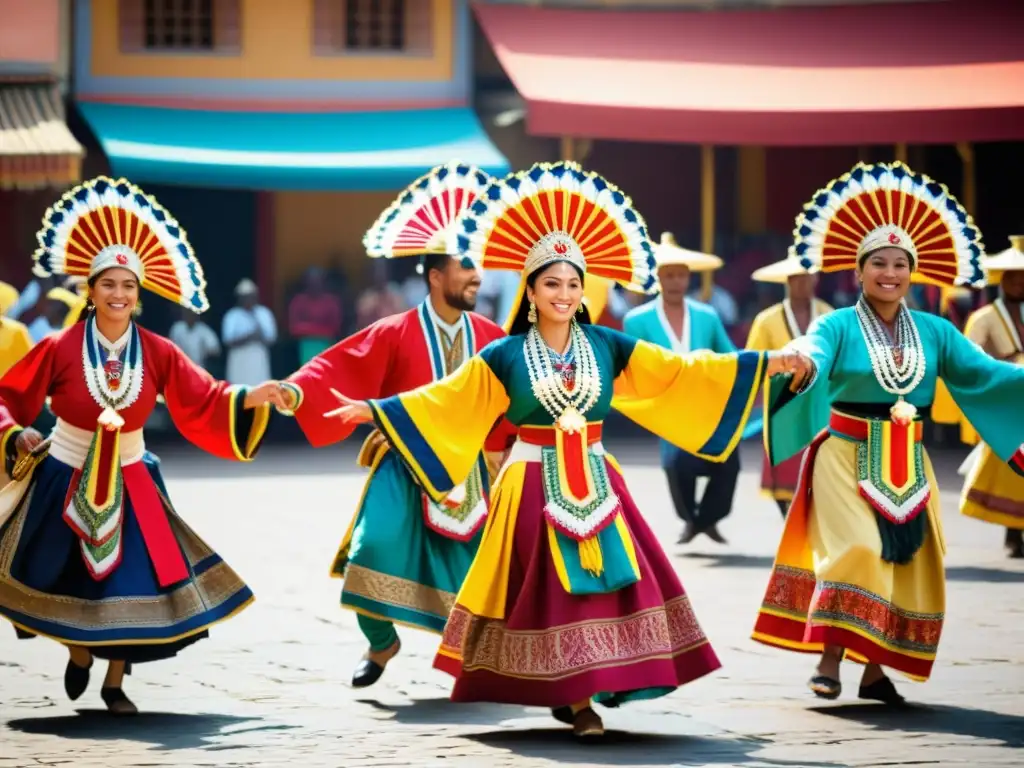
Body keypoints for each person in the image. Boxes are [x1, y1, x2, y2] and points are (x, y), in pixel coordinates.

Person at [321, 161, 806, 738]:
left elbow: (681, 370)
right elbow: (451, 397)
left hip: (597, 481)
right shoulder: (504, 354)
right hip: (529, 483)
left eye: (574, 284)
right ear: (531, 289)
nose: (564, 294)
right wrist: (376, 410)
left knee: (606, 587)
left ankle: (591, 689)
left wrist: (767, 362)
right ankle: (573, 700)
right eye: (552, 283)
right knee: (550, 593)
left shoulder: (608, 343)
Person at [0, 176, 288, 715]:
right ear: (90, 290)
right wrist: (16, 431)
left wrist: (253, 396)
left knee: (132, 579)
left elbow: (205, 394)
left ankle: (114, 679)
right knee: (64, 574)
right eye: (108, 284)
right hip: (65, 468)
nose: (119, 295)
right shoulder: (59, 347)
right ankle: (79, 650)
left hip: (131, 475)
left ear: (139, 294)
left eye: (128, 286)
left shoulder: (157, 351)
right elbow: (6, 397)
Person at [752, 161, 1024, 704]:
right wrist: (803, 361)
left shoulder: (935, 330)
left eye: (901, 264)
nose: (890, 274)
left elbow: (987, 375)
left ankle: (874, 671)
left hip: (908, 460)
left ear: (913, 271)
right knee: (858, 548)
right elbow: (815, 347)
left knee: (904, 559)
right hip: (844, 454)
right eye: (879, 263)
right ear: (859, 270)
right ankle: (830, 659)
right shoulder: (837, 323)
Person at [276, 163, 514, 688]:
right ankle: (381, 644)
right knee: (372, 547)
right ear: (434, 276)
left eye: (479, 267)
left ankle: (475, 663)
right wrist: (296, 390)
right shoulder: (396, 330)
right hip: (401, 462)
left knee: (479, 573)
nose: (477, 276)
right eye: (465, 266)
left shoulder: (493, 336)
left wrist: (501, 452)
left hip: (470, 469)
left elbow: (509, 398)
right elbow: (339, 364)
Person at [622, 232, 738, 544]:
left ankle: (708, 518)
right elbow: (635, 361)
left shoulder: (707, 315)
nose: (676, 281)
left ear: (689, 277)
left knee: (728, 460)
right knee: (676, 464)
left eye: (682, 275)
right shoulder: (636, 319)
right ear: (658, 278)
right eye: (669, 275)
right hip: (668, 402)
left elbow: (729, 354)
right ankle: (690, 519)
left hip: (707, 401)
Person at [938, 237, 1024, 558]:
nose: (1019, 283)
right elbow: (968, 357)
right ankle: (1014, 530)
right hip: (1006, 399)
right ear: (1002, 279)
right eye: (1013, 277)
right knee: (1012, 465)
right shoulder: (984, 317)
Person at [745, 256, 834, 516]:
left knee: (822, 464)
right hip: (782, 400)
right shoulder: (767, 320)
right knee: (784, 466)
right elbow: (754, 359)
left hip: (821, 400)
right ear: (788, 281)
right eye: (797, 278)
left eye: (808, 277)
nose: (803, 283)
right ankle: (790, 517)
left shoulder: (829, 315)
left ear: (816, 279)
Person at [222, 278, 277, 386]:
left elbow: (271, 338)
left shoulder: (264, 313)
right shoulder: (232, 315)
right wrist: (249, 336)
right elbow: (228, 341)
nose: (248, 300)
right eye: (245, 297)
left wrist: (259, 334)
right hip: (239, 360)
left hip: (258, 358)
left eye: (251, 297)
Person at [288, 267, 343, 365]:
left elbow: (335, 329)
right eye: (311, 282)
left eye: (317, 281)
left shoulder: (331, 302)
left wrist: (307, 328)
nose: (314, 285)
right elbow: (293, 328)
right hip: (304, 346)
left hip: (327, 346)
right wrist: (319, 329)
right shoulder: (298, 301)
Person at [169, 306, 222, 371]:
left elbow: (216, 351)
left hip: (198, 369)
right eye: (186, 312)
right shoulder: (177, 328)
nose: (188, 315)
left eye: (191, 312)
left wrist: (206, 350)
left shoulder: (204, 330)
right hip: (180, 368)